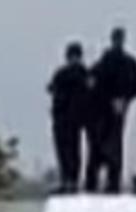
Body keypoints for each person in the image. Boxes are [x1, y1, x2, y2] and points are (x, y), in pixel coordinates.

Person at [85, 26, 136, 194]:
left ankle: (112, 184)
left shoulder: (128, 63)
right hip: (100, 112)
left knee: (113, 150)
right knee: (97, 149)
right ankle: (94, 184)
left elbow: (135, 87)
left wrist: (124, 100)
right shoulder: (104, 62)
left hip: (116, 113)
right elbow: (90, 84)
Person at [47, 42, 90, 194]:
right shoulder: (85, 74)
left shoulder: (62, 73)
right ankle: (72, 180)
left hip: (63, 119)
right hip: (76, 120)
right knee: (73, 150)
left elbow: (51, 88)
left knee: (65, 151)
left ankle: (68, 180)